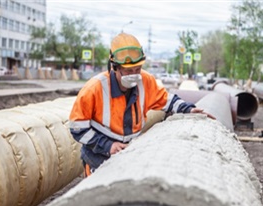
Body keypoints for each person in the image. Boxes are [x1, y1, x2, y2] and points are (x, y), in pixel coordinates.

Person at [69, 32, 214, 177]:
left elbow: (166, 100)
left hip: (129, 155)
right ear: (114, 67)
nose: (134, 74)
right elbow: (77, 128)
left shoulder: (145, 81)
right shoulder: (94, 89)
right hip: (98, 159)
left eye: (137, 69)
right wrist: (108, 146)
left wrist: (189, 109)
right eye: (128, 70)